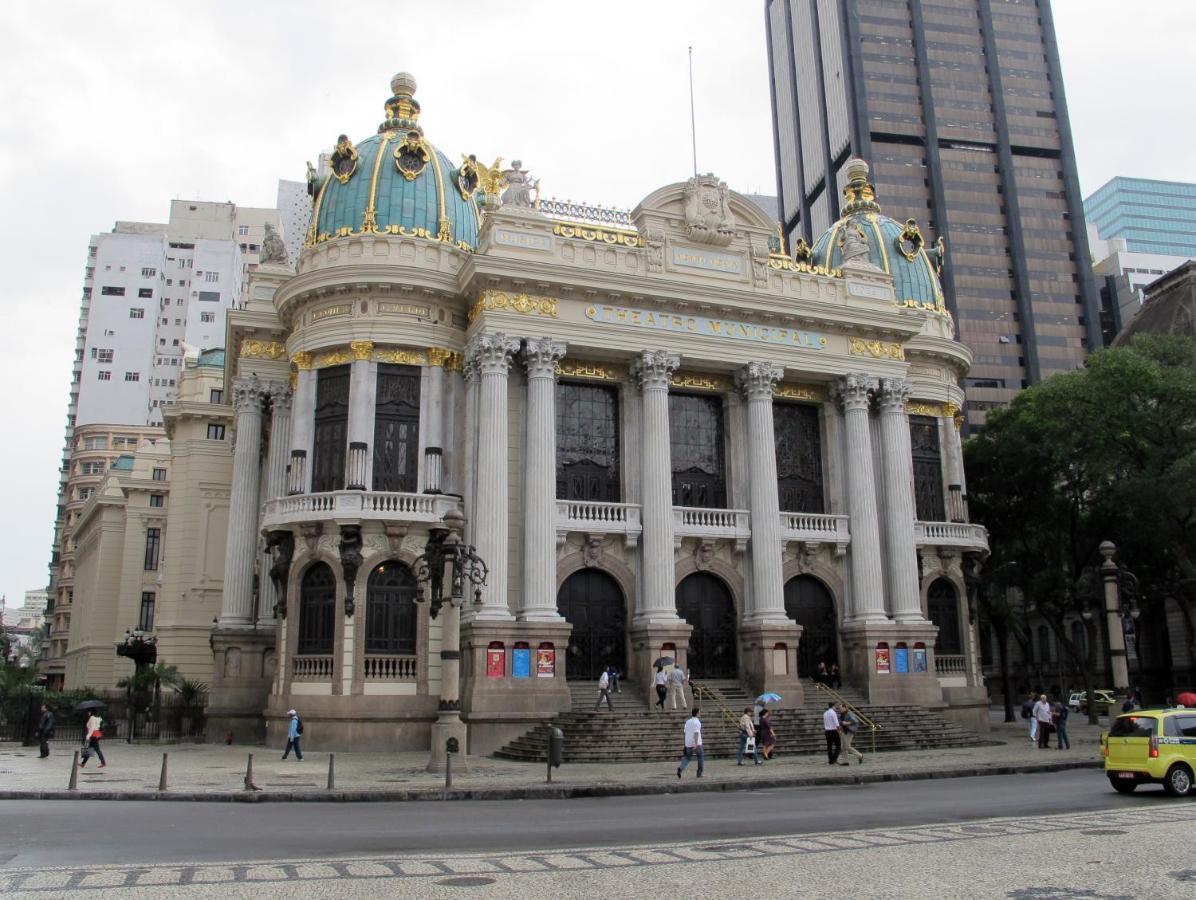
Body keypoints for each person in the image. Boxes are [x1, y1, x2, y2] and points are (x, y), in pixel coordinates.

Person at [677, 707, 703, 779]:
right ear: (697, 713)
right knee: (700, 757)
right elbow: (696, 733)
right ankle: (699, 773)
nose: (700, 714)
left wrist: (685, 743)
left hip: (688, 743)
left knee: (687, 758)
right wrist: (695, 743)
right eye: (699, 712)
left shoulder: (688, 722)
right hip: (697, 743)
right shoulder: (697, 722)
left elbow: (685, 732)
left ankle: (680, 768)